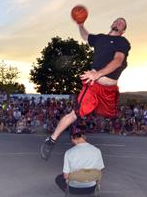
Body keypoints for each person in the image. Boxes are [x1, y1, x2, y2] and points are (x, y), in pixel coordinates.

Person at [41, 17, 131, 160]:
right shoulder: (100, 38)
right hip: (94, 86)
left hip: (109, 91)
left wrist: (99, 73)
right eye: (117, 21)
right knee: (76, 113)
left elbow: (118, 60)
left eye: (122, 23)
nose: (118, 23)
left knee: (108, 115)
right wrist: (81, 24)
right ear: (112, 23)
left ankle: (80, 130)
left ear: (123, 30)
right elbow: (85, 36)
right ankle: (51, 140)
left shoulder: (122, 42)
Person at [55, 132, 105, 197]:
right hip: (91, 189)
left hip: (74, 189)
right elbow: (99, 171)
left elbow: (66, 176)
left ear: (74, 139)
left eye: (72, 140)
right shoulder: (97, 151)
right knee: (87, 177)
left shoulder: (69, 152)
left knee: (59, 179)